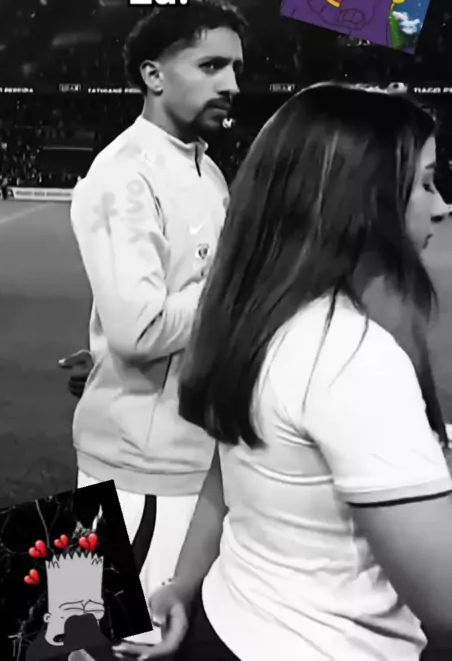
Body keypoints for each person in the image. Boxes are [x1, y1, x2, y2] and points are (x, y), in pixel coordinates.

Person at [114, 84, 452, 661]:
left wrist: (184, 583)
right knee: (67, 619)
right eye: (425, 183)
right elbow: (443, 598)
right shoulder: (351, 357)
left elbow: (232, 465)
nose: (442, 205)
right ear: (366, 202)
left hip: (226, 622)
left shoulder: (260, 317)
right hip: (317, 644)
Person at [69, 0, 247, 637]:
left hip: (189, 460)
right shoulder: (123, 174)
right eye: (211, 66)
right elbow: (140, 330)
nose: (232, 84)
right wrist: (240, 289)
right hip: (141, 472)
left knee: (148, 639)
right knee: (97, 641)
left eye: (236, 68)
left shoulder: (208, 169)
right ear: (153, 75)